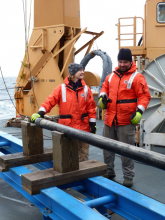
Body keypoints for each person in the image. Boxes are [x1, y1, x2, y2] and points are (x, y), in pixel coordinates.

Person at [99, 48, 151, 187]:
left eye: (125, 62)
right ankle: (108, 172)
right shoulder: (110, 77)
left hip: (126, 121)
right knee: (107, 150)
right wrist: (102, 97)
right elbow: (104, 88)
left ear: (130, 62)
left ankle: (128, 178)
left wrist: (139, 111)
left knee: (126, 152)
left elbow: (144, 96)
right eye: (120, 61)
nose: (122, 64)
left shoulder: (137, 77)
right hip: (110, 120)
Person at [31, 63, 97, 162]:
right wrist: (40, 113)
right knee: (67, 155)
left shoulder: (86, 89)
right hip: (67, 129)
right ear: (73, 73)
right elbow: (49, 102)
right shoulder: (61, 89)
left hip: (83, 128)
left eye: (82, 70)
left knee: (83, 155)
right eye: (80, 70)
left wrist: (93, 124)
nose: (82, 72)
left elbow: (91, 108)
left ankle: (83, 176)